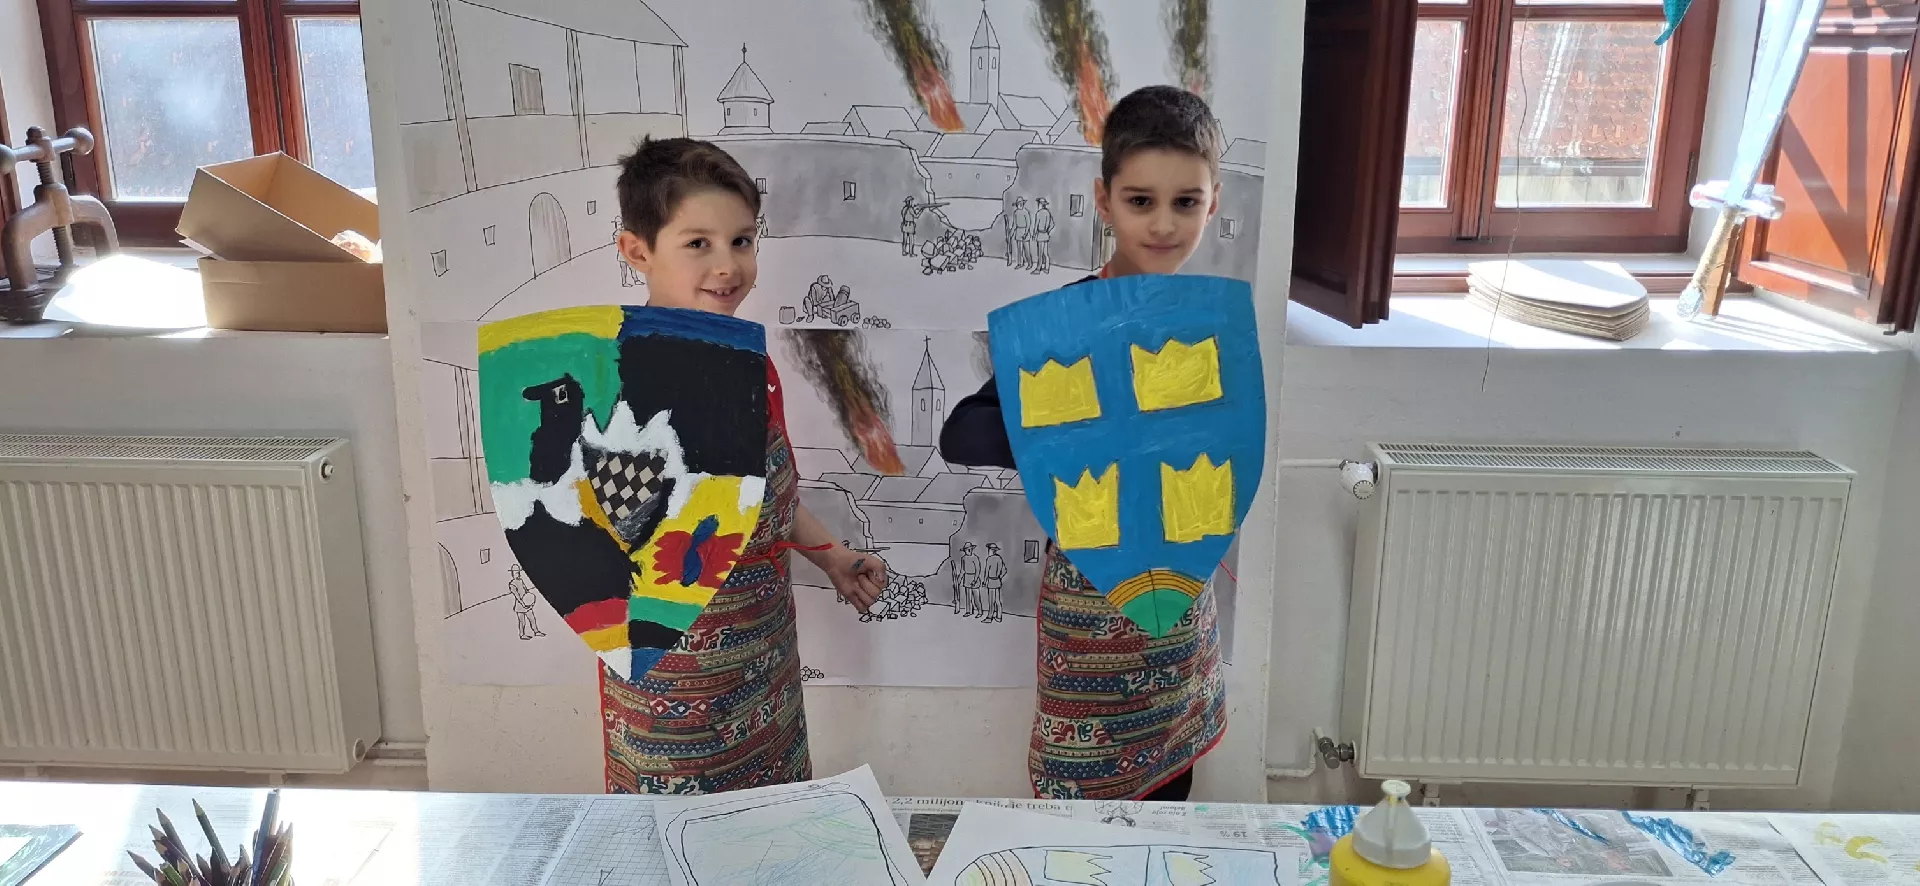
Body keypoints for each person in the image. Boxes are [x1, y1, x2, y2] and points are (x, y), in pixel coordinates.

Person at [937, 86, 1227, 803]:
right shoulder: (1066, 323)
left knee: (1166, 809)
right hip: (1090, 620)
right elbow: (962, 433)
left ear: (1212, 203)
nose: (1164, 223)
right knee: (1078, 827)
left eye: (1186, 202)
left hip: (1179, 625)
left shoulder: (1209, 330)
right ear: (1104, 201)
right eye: (1141, 201)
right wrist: (1092, 424)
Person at [605, 136, 890, 795]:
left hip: (764, 651)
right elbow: (612, 529)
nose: (727, 265)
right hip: (671, 670)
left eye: (741, 241)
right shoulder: (615, 375)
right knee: (677, 832)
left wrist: (832, 557)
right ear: (637, 252)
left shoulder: (746, 362)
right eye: (697, 243)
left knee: (770, 823)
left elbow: (764, 494)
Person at [507, 564, 545, 640]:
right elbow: (517, 596)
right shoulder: (512, 584)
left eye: (518, 572)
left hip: (526, 602)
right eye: (516, 572)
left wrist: (530, 599)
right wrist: (523, 603)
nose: (517, 574)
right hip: (520, 605)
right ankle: (522, 634)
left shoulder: (520, 580)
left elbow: (526, 590)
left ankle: (536, 631)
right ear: (512, 573)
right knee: (522, 621)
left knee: (532, 619)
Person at [982, 542, 1007, 623]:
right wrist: (999, 577)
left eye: (989, 550)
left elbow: (986, 572)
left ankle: (989, 617)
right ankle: (999, 617)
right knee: (997, 600)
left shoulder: (989, 559)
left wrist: (984, 581)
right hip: (997, 581)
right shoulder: (999, 558)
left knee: (991, 601)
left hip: (991, 581)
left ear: (991, 550)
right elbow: (1004, 570)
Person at [960, 541, 983, 618]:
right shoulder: (963, 558)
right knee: (968, 597)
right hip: (967, 578)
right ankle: (969, 611)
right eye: (965, 550)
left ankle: (980, 611)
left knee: (976, 597)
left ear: (971, 549)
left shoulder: (975, 558)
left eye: (968, 549)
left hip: (974, 579)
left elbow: (978, 570)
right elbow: (962, 570)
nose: (967, 551)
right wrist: (959, 579)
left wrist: (975, 580)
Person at [1032, 197, 1054, 274]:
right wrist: (1047, 230)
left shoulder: (1038, 213)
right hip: (1046, 235)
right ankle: (1047, 268)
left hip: (1040, 235)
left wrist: (1034, 234)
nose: (1038, 205)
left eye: (1038, 203)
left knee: (1040, 253)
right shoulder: (1048, 213)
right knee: (1045, 253)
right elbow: (1052, 224)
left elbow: (1036, 225)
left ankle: (1038, 269)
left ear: (1040, 204)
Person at [1011, 197, 1033, 270]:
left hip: (1025, 231)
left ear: (1022, 204)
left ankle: (1030, 263)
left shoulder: (1026, 212)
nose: (1019, 205)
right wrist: (1011, 232)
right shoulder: (1015, 213)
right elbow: (1014, 224)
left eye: (1020, 204)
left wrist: (1026, 233)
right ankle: (1020, 263)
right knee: (1019, 250)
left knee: (1027, 250)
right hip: (1018, 232)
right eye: (1018, 204)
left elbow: (1028, 224)